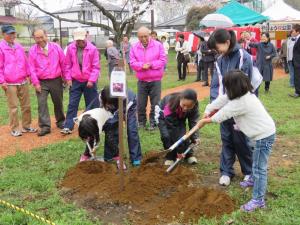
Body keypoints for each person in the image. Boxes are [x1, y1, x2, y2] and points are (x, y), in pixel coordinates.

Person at [197, 70, 276, 212]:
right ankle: (252, 178)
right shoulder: (238, 95)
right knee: (256, 164)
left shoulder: (241, 102)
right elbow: (221, 100)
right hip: (257, 133)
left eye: (227, 86)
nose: (226, 89)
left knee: (259, 168)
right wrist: (207, 110)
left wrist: (205, 120)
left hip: (263, 136)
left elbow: (221, 115)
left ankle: (258, 200)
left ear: (233, 87)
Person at [208, 28, 254, 186]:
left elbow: (242, 86)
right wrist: (215, 104)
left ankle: (248, 172)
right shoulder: (220, 59)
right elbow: (217, 84)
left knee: (241, 140)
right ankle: (226, 171)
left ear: (227, 42)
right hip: (224, 107)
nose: (217, 51)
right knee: (226, 138)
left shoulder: (243, 57)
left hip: (239, 107)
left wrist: (230, 106)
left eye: (218, 47)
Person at [77, 86, 142, 167]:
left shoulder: (127, 100)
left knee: (131, 130)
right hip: (111, 108)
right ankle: (93, 155)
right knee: (92, 128)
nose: (108, 105)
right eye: (107, 103)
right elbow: (89, 116)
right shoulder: (102, 96)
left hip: (128, 106)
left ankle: (135, 158)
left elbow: (115, 118)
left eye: (110, 104)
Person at [61, 27, 100, 134]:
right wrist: (68, 79)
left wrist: (91, 80)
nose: (79, 42)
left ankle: (94, 126)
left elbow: (96, 67)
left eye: (81, 40)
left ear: (85, 37)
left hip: (89, 81)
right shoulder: (70, 48)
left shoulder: (92, 49)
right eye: (77, 40)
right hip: (76, 81)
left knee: (92, 104)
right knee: (72, 104)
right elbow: (67, 65)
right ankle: (68, 126)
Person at [0, 24, 36, 137]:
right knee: (14, 107)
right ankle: (15, 128)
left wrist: (29, 74)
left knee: (26, 105)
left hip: (22, 80)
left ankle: (27, 126)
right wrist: (2, 81)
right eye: (9, 33)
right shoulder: (1, 47)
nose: (12, 36)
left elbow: (25, 62)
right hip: (9, 82)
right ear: (3, 34)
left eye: (13, 33)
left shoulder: (18, 46)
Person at [28, 29, 66, 136]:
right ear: (34, 38)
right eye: (37, 38)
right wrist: (36, 83)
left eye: (42, 37)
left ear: (46, 36)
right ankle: (45, 126)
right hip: (41, 81)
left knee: (58, 102)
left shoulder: (56, 47)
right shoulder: (32, 50)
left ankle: (61, 121)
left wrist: (66, 77)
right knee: (42, 103)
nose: (40, 40)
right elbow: (31, 68)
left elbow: (63, 63)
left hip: (56, 80)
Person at [130, 26, 167, 130]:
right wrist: (142, 65)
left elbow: (163, 61)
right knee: (141, 104)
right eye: (140, 37)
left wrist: (151, 64)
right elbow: (132, 63)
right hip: (142, 80)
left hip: (155, 80)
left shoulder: (158, 45)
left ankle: (153, 122)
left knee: (155, 104)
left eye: (145, 36)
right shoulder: (134, 47)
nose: (143, 39)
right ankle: (141, 122)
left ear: (150, 35)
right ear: (138, 37)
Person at [155, 89, 200, 166]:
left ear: (194, 103)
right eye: (184, 105)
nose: (185, 108)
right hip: (163, 117)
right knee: (166, 136)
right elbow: (173, 130)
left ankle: (188, 154)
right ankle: (170, 156)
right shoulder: (170, 105)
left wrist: (195, 138)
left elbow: (193, 123)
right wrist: (179, 151)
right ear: (180, 100)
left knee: (183, 134)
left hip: (179, 114)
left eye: (189, 106)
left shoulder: (194, 106)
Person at [289, 24, 300, 98]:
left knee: (297, 77)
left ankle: (297, 92)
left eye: (293, 31)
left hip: (298, 62)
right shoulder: (296, 39)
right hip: (295, 61)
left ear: (298, 31)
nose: (292, 32)